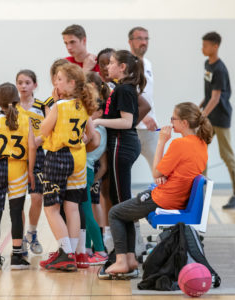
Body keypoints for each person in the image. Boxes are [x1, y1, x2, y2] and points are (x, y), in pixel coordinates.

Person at [104, 102, 213, 276]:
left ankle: (122, 261)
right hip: (175, 196)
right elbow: (177, 171)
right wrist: (165, 175)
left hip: (165, 199)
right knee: (128, 210)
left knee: (115, 213)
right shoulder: (201, 144)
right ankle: (130, 259)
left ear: (184, 123)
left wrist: (161, 141)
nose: (170, 122)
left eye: (173, 119)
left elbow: (156, 172)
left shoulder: (179, 144)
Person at [39, 63, 97, 271]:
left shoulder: (60, 106)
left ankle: (65, 253)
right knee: (72, 207)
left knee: (51, 208)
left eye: (60, 79)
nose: (56, 83)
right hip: (78, 157)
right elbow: (93, 136)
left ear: (72, 83)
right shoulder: (84, 105)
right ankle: (73, 253)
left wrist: (54, 104)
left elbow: (44, 129)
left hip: (59, 157)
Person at [0, 82, 36, 270]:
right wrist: (31, 170)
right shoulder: (25, 118)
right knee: (16, 214)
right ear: (17, 100)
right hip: (18, 168)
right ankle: (17, 257)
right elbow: (33, 146)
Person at [94, 49, 145, 206]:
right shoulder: (120, 88)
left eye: (111, 63)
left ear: (122, 67)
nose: (107, 67)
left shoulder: (124, 89)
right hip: (121, 143)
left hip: (121, 144)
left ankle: (130, 231)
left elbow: (126, 122)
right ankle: (128, 230)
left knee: (120, 197)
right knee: (117, 195)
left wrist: (98, 122)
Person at [200, 31, 235, 209]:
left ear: (215, 46)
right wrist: (199, 107)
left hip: (220, 117)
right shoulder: (207, 64)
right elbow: (209, 94)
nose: (202, 48)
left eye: (205, 45)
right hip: (208, 116)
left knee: (227, 155)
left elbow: (216, 98)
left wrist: (201, 116)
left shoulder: (220, 69)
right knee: (200, 153)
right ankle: (200, 193)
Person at [128, 26, 159, 255]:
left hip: (151, 130)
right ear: (130, 41)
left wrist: (151, 117)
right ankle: (130, 232)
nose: (144, 42)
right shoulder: (127, 64)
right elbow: (129, 94)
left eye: (146, 38)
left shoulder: (147, 64)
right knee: (123, 181)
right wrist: (143, 115)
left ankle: (168, 226)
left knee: (161, 174)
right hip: (132, 128)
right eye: (140, 39)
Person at [15, 70, 45, 257]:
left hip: (39, 155)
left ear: (35, 85)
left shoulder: (42, 107)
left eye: (27, 82)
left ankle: (31, 233)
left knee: (37, 198)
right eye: (20, 82)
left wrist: (36, 141)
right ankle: (20, 239)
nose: (23, 86)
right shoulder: (11, 106)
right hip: (17, 158)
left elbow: (50, 129)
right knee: (17, 201)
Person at [84, 72, 109, 265]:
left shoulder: (97, 131)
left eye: (91, 110)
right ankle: (85, 249)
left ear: (99, 113)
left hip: (85, 170)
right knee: (83, 212)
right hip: (88, 172)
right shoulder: (100, 129)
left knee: (87, 212)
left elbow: (91, 146)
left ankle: (100, 250)